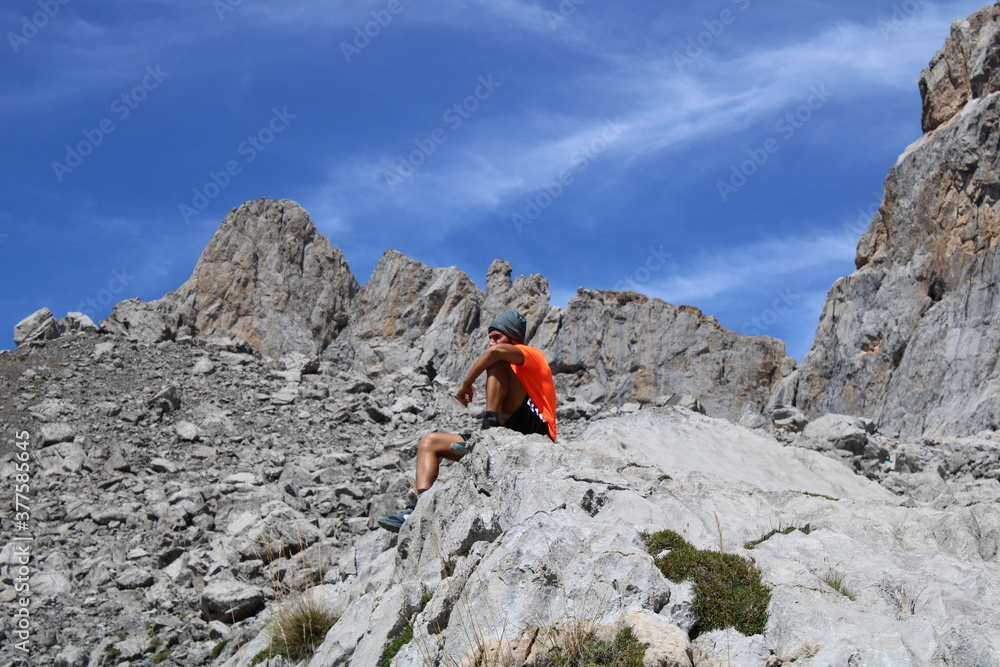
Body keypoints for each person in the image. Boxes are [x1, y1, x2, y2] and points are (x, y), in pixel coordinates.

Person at [378, 310, 557, 532]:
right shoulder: (505, 359)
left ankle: (486, 431)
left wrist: (466, 384)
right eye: (489, 337)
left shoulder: (531, 354)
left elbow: (497, 353)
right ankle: (419, 509)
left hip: (536, 428)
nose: (491, 342)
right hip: (506, 431)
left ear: (513, 338)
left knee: (497, 362)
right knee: (429, 442)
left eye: (496, 337)